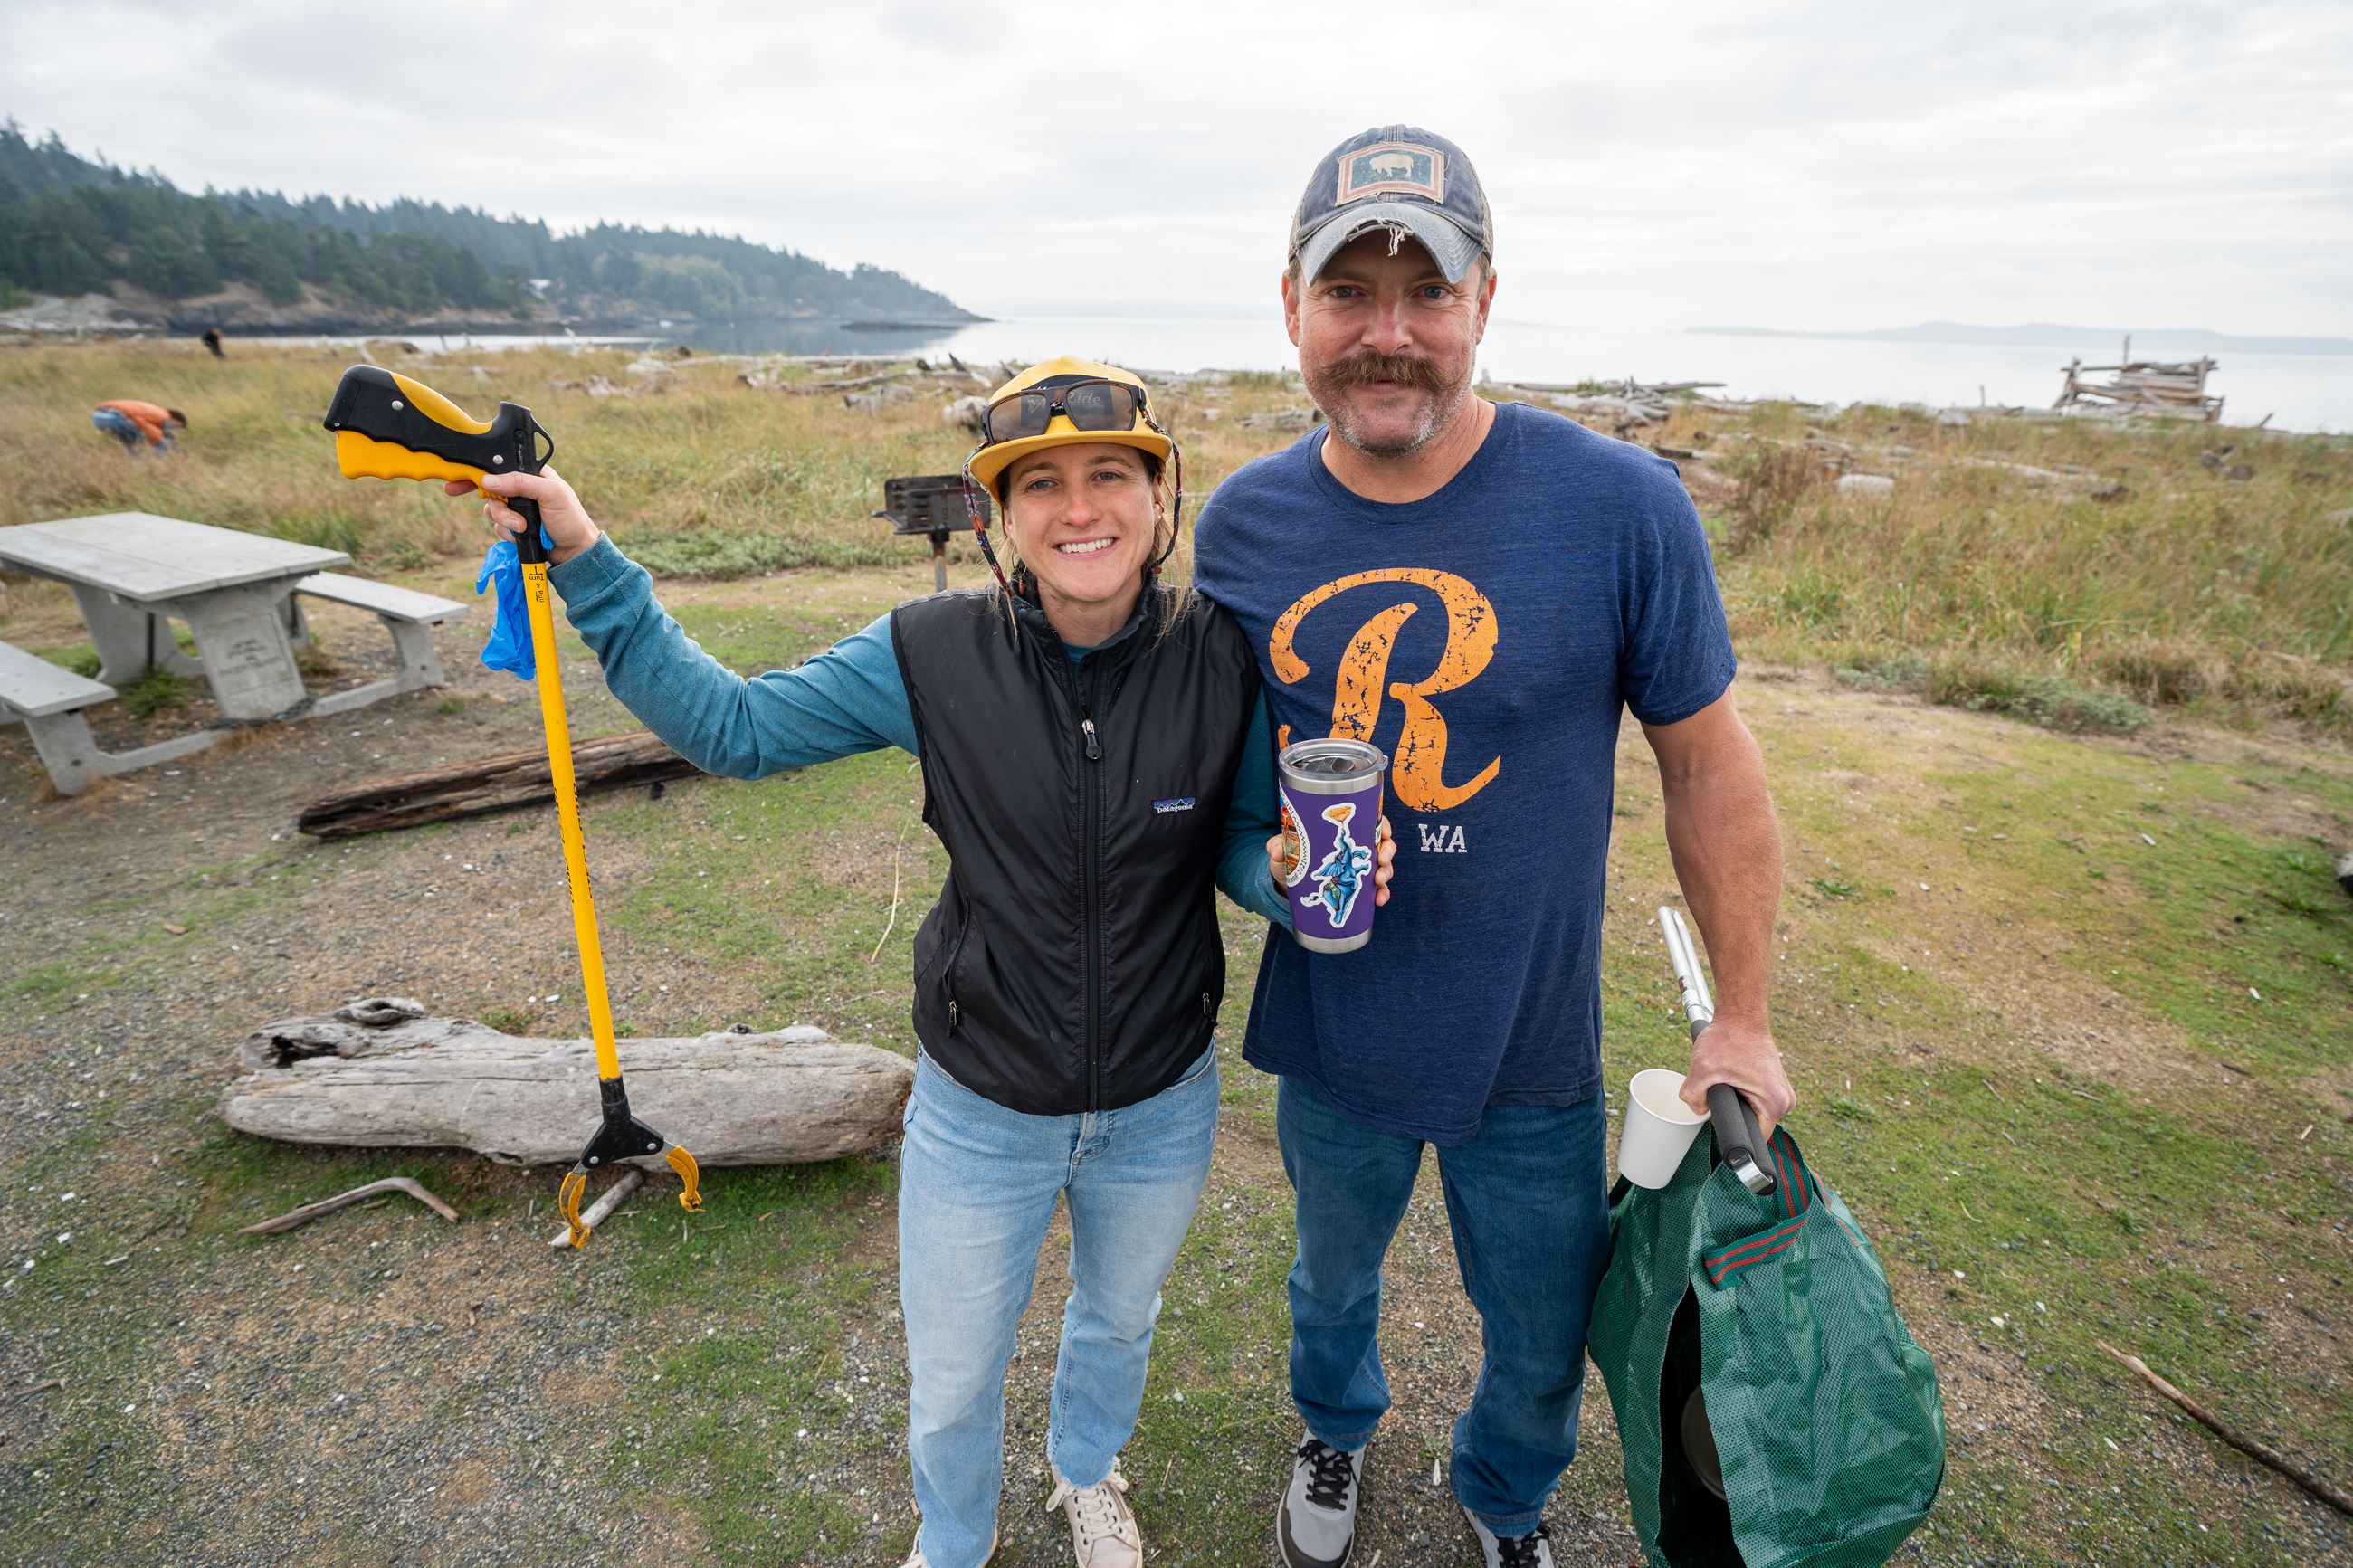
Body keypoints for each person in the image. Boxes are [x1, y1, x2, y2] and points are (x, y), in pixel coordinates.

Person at [452, 356, 1394, 1568]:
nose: (1080, 508)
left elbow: (1241, 846)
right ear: (1002, 517)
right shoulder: (927, 654)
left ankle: (1085, 1474)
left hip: (1163, 1098)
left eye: (1113, 474)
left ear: (1162, 499)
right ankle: (953, 1540)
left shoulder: (1221, 655)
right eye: (1038, 483)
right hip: (979, 1107)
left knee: (1117, 1324)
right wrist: (588, 560)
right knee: (953, 1374)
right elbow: (734, 730)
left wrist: (1310, 882)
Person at [1193, 127, 1794, 1568]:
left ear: (1485, 302)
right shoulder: (1241, 526)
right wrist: (1261, 867)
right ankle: (1333, 1430)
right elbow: (1216, 807)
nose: (1388, 334)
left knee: (1541, 1318)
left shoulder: (1616, 506)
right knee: (1330, 1280)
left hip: (1533, 1046)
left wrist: (1748, 1021)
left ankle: (1507, 1498)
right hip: (1333, 1029)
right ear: (1291, 309)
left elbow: (1707, 763)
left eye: (1427, 291)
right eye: (1350, 293)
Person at [91, 399, 186, 455]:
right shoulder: (165, 416)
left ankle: (134, 462)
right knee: (160, 443)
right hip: (113, 417)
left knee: (129, 440)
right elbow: (169, 436)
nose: (174, 429)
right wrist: (178, 453)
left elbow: (168, 434)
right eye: (177, 426)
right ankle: (156, 467)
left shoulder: (155, 413)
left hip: (97, 416)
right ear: (174, 419)